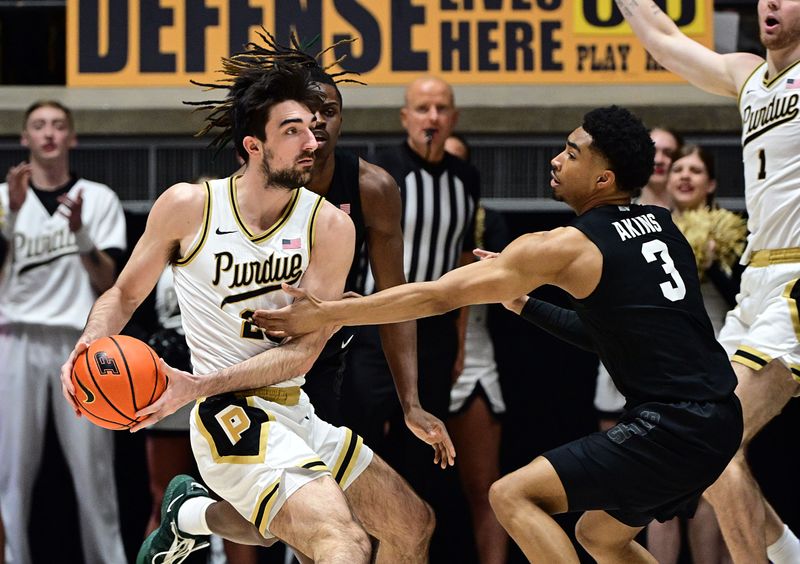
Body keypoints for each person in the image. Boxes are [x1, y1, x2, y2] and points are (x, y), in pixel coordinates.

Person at [254, 105, 744, 563]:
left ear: (604, 178)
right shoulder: (661, 226)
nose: (556, 160)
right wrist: (524, 303)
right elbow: (610, 335)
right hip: (718, 419)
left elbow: (435, 296)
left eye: (572, 153)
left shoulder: (567, 245)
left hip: (674, 426)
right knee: (599, 535)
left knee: (511, 494)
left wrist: (326, 313)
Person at [60, 39, 450, 564]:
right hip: (229, 414)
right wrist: (88, 344)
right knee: (342, 542)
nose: (312, 140)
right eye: (293, 131)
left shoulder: (331, 226)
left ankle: (188, 515)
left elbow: (302, 354)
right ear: (253, 146)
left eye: (314, 128)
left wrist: (191, 385)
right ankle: (192, 514)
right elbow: (125, 292)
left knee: (412, 525)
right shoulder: (188, 206)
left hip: (295, 406)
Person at [616, 1, 800, 561]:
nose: (770, 1)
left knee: (714, 440)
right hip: (754, 282)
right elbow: (663, 38)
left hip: (797, 279)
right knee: (702, 449)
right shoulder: (748, 75)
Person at [341, 76, 479, 522]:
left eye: (441, 108)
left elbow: (461, 258)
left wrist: (459, 340)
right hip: (376, 325)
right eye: (423, 108)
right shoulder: (381, 172)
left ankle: (410, 539)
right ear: (405, 117)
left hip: (436, 328)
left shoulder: (466, 177)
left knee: (424, 450)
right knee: (361, 435)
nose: (432, 118)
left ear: (454, 117)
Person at [0, 100, 128, 564]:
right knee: (10, 474)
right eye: (39, 125)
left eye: (58, 125)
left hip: (80, 342)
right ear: (24, 138)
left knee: (95, 474)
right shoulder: (3, 198)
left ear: (72, 137)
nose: (49, 133)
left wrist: (80, 235)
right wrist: (12, 217)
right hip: (15, 337)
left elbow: (110, 283)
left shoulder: (99, 198)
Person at [302, 60, 451, 447]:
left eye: (329, 112)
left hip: (328, 354)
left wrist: (411, 403)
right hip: (256, 352)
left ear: (341, 120)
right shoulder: (262, 182)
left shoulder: (372, 186)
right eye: (307, 111)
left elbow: (395, 300)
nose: (318, 121)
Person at [647, 145, 744, 564]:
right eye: (679, 169)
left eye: (696, 170)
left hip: (717, 362)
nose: (685, 176)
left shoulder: (731, 229)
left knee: (717, 481)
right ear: (667, 180)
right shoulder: (650, 230)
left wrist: (713, 261)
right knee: (657, 483)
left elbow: (746, 297)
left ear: (711, 184)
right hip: (663, 367)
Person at [443, 133, 510, 564]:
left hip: (475, 358)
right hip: (409, 356)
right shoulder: (401, 219)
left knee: (485, 487)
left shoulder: (491, 223)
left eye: (455, 164)